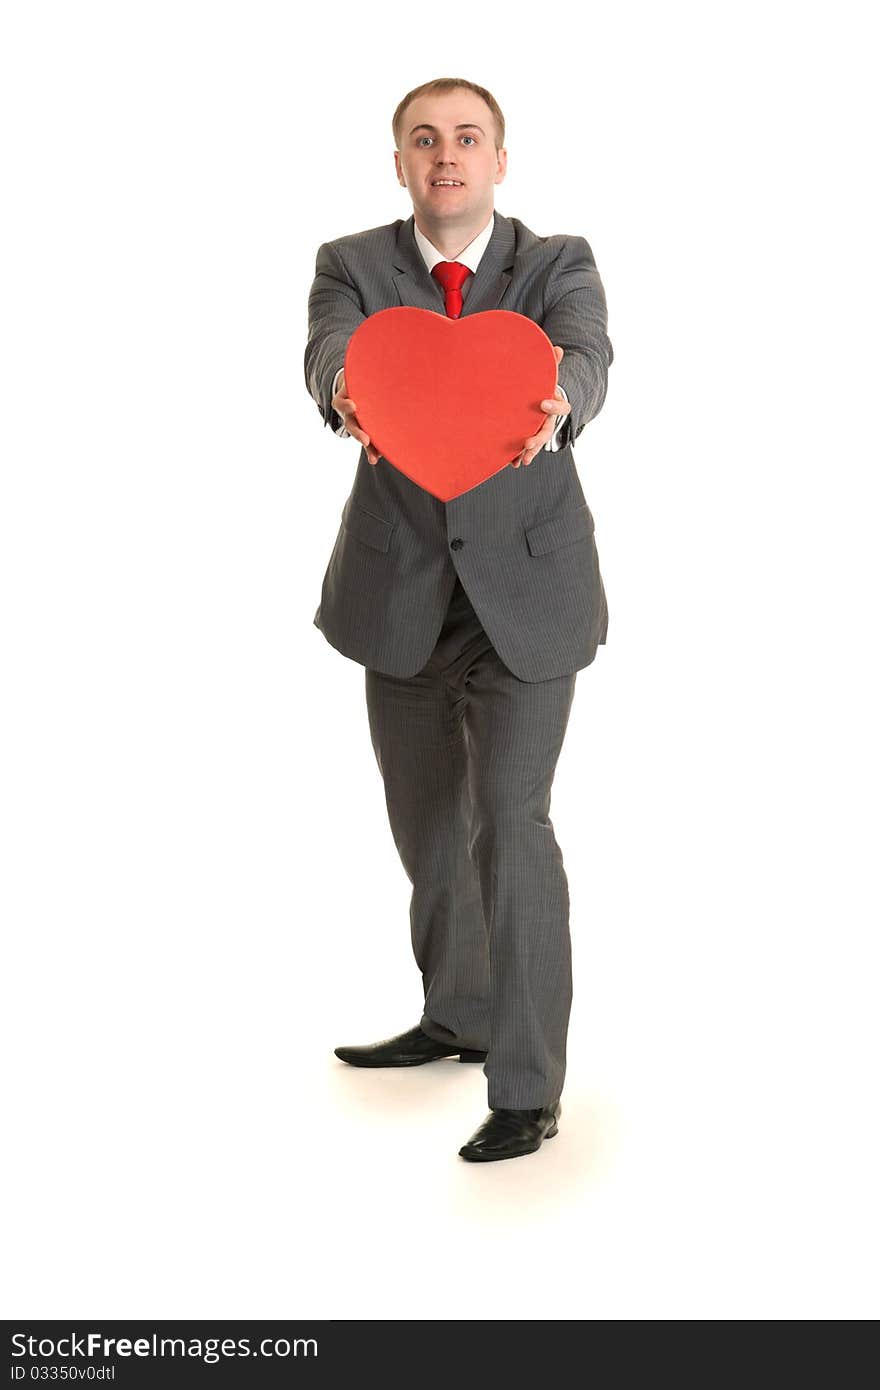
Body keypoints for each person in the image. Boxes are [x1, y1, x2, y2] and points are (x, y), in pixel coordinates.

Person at [303, 77, 613, 1163]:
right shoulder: (351, 262)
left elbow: (585, 357)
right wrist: (350, 391)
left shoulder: (553, 262)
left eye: (466, 138)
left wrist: (561, 399)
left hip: (527, 598)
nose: (446, 155)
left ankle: (527, 1087)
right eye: (423, 139)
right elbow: (329, 355)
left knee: (511, 827)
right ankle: (459, 1015)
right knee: (431, 830)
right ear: (400, 163)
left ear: (498, 159)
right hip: (400, 597)